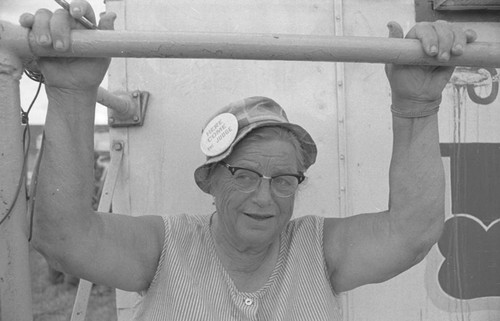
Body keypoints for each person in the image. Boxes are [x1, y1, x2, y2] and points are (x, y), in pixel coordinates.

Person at [21, 1, 477, 320]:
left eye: (284, 179)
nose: (265, 195)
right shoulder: (167, 247)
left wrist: (417, 106)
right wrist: (71, 94)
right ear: (210, 181)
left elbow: (412, 233)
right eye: (244, 174)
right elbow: (63, 238)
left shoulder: (316, 250)